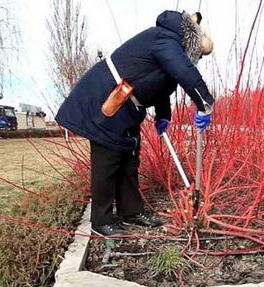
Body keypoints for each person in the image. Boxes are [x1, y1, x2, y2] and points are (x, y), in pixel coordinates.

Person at [55, 10, 214, 236]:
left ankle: (131, 211)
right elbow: (182, 71)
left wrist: (163, 117)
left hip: (127, 107)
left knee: (129, 159)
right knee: (107, 160)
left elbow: (162, 86)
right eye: (199, 54)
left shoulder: (168, 46)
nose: (197, 59)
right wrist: (204, 102)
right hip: (107, 98)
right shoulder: (164, 38)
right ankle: (101, 221)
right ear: (193, 43)